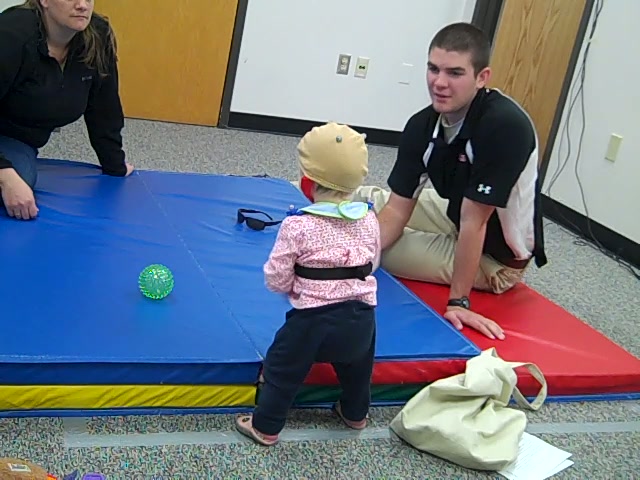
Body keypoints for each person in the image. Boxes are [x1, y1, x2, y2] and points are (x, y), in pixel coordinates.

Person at [352, 22, 547, 340]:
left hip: (494, 258)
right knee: (365, 199)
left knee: (381, 253)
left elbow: (475, 222)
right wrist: (366, 243)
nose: (439, 83)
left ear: (481, 77)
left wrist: (459, 302)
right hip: (455, 211)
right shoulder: (422, 124)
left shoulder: (505, 127)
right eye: (433, 69)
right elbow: (398, 209)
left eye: (455, 73)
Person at [235, 122, 380, 446]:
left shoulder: (298, 224)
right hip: (362, 318)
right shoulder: (369, 217)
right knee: (359, 371)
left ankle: (265, 426)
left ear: (306, 183)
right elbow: (373, 261)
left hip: (312, 322)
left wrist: (289, 287)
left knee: (281, 368)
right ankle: (355, 414)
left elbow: (277, 275)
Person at [0, 0, 133, 221]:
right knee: (10, 184)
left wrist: (114, 163)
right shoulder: (10, 34)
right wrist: (4, 174)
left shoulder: (97, 36)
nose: (82, 5)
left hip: (15, 139)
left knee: (22, 180)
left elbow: (104, 108)